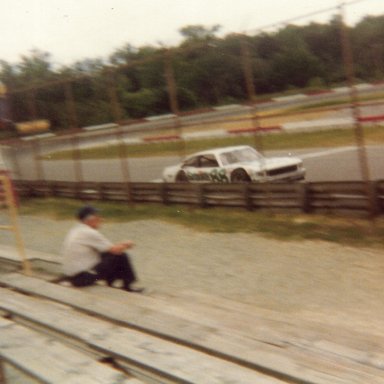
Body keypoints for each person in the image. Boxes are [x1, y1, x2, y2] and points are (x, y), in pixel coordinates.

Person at [62, 205, 143, 292]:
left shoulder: (75, 230)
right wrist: (127, 244)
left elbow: (106, 250)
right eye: (98, 216)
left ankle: (111, 283)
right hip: (82, 279)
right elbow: (115, 250)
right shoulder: (89, 232)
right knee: (120, 255)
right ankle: (128, 285)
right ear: (90, 219)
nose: (101, 219)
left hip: (71, 275)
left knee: (107, 255)